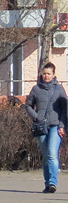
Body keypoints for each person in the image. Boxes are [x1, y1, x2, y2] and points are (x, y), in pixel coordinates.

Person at [25, 61, 68, 194]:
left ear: (53, 74)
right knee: (45, 156)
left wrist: (62, 126)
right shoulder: (36, 89)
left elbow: (64, 109)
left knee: (52, 154)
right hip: (41, 126)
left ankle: (53, 182)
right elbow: (28, 105)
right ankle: (47, 183)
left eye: (48, 74)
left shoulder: (59, 89)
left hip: (55, 126)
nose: (46, 76)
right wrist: (36, 116)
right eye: (44, 74)